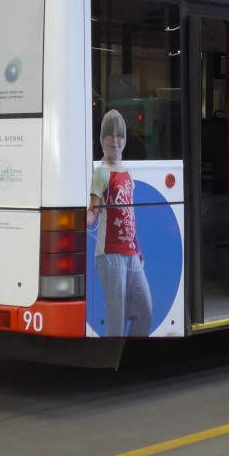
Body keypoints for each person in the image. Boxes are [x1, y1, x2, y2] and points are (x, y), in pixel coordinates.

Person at [88, 109, 152, 337]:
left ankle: (129, 357)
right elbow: (92, 213)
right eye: (109, 135)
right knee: (116, 318)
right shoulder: (101, 173)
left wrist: (138, 249)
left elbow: (129, 215)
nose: (115, 140)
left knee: (144, 309)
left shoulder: (127, 172)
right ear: (102, 139)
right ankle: (114, 365)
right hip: (110, 256)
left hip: (130, 254)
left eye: (120, 135)